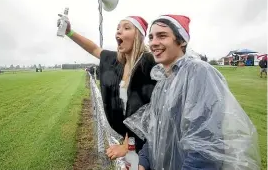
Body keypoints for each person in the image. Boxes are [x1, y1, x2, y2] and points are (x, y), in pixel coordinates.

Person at [123, 14, 261, 170]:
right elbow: (155, 132)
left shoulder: (198, 73)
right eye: (151, 37)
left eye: (162, 36)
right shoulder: (163, 82)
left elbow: (205, 145)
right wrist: (143, 162)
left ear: (181, 41)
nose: (154, 43)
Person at [57, 15, 157, 157]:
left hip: (145, 145)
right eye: (118, 28)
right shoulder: (117, 61)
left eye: (126, 28)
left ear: (139, 36)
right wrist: (69, 32)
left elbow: (142, 110)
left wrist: (127, 147)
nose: (118, 32)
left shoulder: (149, 63)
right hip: (128, 137)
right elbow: (94, 49)